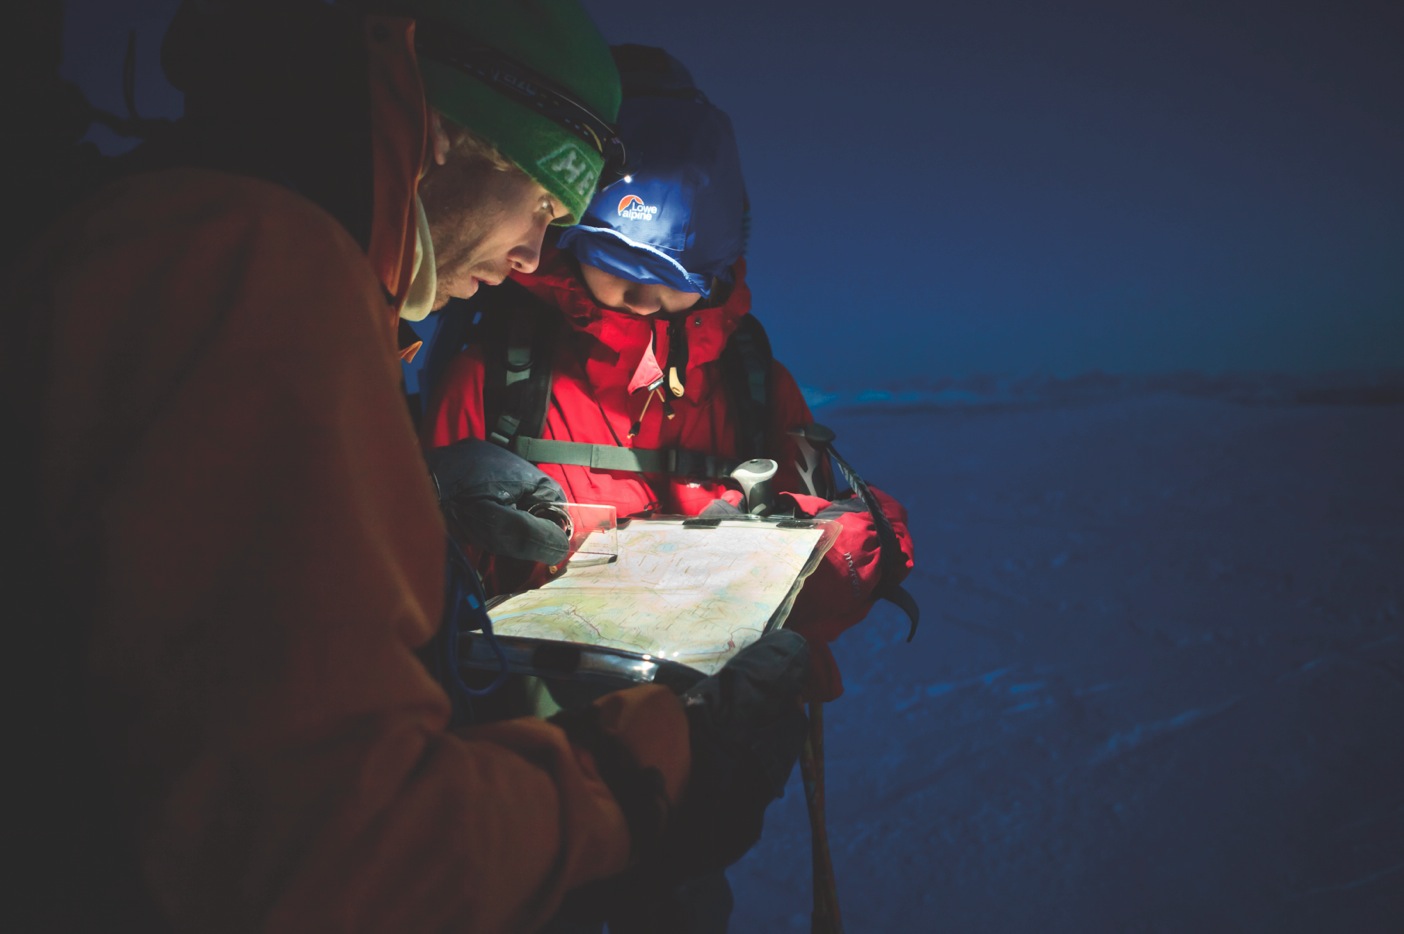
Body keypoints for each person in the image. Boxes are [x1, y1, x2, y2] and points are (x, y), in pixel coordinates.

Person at [3, 2, 809, 931]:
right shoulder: (255, 265)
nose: (531, 254)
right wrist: (653, 772)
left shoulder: (202, 240)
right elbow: (336, 853)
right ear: (449, 134)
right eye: (542, 206)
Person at [419, 45, 917, 931]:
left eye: (677, 283)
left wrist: (835, 553)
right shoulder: (497, 367)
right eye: (621, 267)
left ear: (719, 269)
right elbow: (417, 576)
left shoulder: (749, 380)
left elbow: (829, 540)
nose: (647, 300)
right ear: (572, 234)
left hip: (695, 749)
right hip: (525, 758)